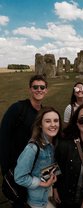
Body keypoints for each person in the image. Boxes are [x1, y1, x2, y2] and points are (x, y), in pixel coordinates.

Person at [0, 74, 48, 207]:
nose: (39, 89)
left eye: (42, 87)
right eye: (35, 87)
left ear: (46, 90)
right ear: (30, 89)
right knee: (19, 202)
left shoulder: (44, 113)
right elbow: (3, 137)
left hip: (35, 170)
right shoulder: (17, 109)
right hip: (16, 169)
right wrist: (5, 170)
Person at [14, 106, 62, 208]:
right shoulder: (32, 149)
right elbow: (19, 177)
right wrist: (43, 184)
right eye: (48, 121)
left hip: (49, 196)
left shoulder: (54, 144)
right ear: (40, 124)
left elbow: (50, 169)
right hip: (36, 201)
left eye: (56, 121)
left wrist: (54, 188)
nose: (53, 124)